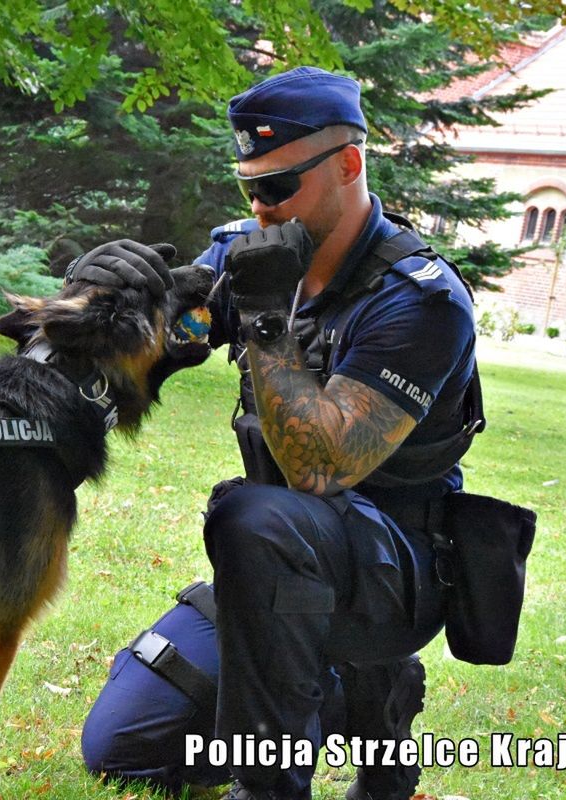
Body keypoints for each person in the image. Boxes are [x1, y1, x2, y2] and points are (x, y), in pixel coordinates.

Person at [71, 67, 482, 800]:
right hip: (272, 568)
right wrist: (103, 298)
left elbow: (323, 467)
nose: (261, 208)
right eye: (249, 188)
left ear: (349, 164)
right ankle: (344, 695)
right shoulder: (247, 253)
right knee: (123, 747)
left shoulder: (421, 301)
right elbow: (162, 344)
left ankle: (275, 779)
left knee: (254, 512)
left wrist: (264, 320)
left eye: (280, 186)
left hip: (391, 570)